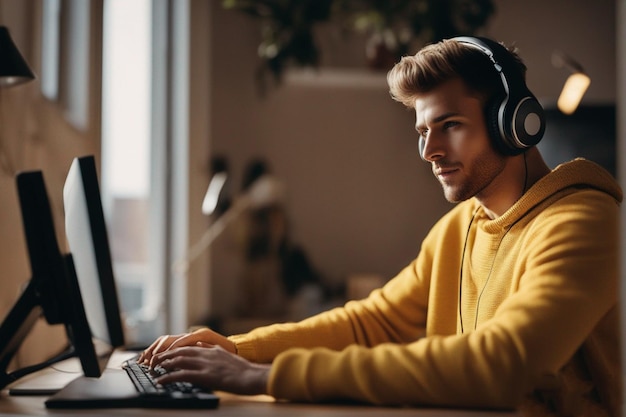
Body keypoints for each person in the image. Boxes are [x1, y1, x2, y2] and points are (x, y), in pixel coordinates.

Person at [138, 37, 622, 416]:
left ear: (515, 122)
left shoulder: (582, 222)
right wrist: (235, 350)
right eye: (422, 131)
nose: (429, 151)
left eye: (449, 124)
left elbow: (505, 366)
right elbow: (373, 323)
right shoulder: (459, 229)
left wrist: (265, 377)